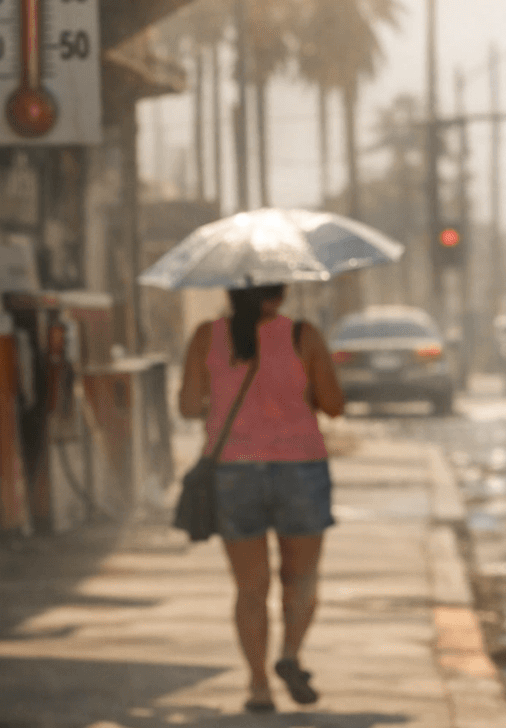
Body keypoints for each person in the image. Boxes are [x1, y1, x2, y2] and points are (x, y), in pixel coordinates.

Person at [177, 283, 345, 713]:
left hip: (233, 469)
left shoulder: (205, 336)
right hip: (300, 468)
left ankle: (257, 686)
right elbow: (334, 405)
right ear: (283, 292)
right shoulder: (302, 336)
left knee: (250, 587)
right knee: (301, 578)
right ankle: (289, 656)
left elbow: (188, 406)